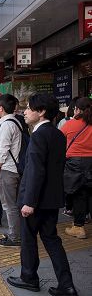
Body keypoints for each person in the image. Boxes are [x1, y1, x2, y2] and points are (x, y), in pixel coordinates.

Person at [7, 93, 78, 296]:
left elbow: (35, 170)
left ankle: (29, 277)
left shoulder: (39, 135)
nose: (25, 111)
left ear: (41, 112)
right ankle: (67, 285)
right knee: (52, 240)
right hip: (52, 199)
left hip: (35, 200)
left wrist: (29, 201)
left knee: (29, 239)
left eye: (29, 108)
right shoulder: (57, 134)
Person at [0, 94, 22, 247]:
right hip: (14, 169)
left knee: (9, 205)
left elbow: (3, 149)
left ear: (1, 108)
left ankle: (15, 237)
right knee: (13, 204)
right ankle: (16, 232)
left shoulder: (6, 125)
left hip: (7, 170)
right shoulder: (16, 122)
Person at [61, 97, 92, 239]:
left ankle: (78, 227)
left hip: (75, 163)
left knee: (79, 194)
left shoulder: (70, 124)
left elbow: (58, 141)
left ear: (77, 110)